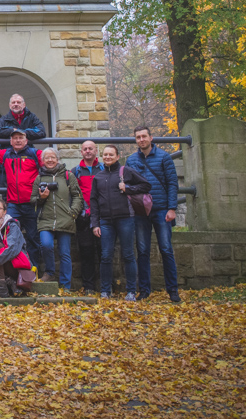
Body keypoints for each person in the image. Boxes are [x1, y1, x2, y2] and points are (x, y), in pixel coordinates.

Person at [127, 126, 182, 303]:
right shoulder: (131, 160)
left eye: (144, 136)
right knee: (142, 251)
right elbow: (128, 186)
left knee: (166, 249)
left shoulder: (164, 157)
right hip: (141, 212)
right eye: (138, 137)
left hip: (161, 210)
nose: (141, 140)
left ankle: (172, 289)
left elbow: (172, 183)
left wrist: (172, 208)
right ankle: (144, 290)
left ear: (151, 138)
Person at [90, 144, 151, 300]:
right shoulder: (98, 177)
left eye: (111, 154)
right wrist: (95, 224)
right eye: (105, 155)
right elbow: (94, 202)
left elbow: (146, 185)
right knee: (106, 256)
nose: (108, 157)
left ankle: (131, 291)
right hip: (105, 222)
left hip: (126, 219)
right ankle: (105, 290)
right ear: (102, 157)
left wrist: (128, 188)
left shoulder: (126, 171)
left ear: (118, 156)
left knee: (129, 254)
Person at [0, 128, 42, 270]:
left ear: (26, 140)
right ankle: (15, 268)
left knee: (33, 237)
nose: (18, 140)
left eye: (21, 137)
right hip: (13, 204)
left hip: (31, 203)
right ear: (10, 141)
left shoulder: (35, 154)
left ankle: (33, 268)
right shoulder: (6, 154)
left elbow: (50, 163)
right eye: (15, 138)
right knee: (10, 237)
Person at [31, 148, 83, 291]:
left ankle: (65, 285)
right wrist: (41, 198)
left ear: (57, 159)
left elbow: (78, 197)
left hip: (65, 219)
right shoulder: (39, 178)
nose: (50, 160)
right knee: (46, 245)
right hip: (45, 220)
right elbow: (32, 199)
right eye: (47, 158)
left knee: (65, 252)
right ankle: (50, 272)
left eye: (53, 157)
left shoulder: (68, 176)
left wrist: (72, 213)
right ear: (42, 160)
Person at [71, 140, 103, 295]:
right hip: (83, 217)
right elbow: (74, 193)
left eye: (91, 148)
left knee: (104, 251)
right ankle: (89, 286)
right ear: (81, 152)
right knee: (86, 251)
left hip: (102, 216)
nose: (88, 151)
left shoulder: (103, 168)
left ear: (96, 151)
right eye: (85, 149)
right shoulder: (75, 171)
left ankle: (105, 286)